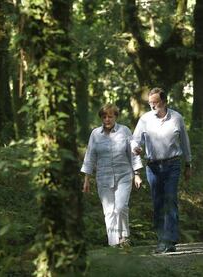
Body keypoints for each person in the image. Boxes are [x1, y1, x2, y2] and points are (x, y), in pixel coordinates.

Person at [131, 87, 192, 254]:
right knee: (158, 202)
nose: (152, 106)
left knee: (170, 200)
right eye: (150, 103)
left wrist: (188, 164)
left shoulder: (177, 118)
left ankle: (170, 241)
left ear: (164, 102)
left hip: (173, 165)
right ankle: (161, 240)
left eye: (156, 102)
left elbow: (185, 142)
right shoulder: (145, 119)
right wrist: (136, 148)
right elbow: (134, 141)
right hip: (153, 166)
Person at [81, 103, 143, 247]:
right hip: (103, 177)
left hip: (124, 175)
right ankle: (113, 243)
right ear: (101, 118)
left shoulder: (124, 131)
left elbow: (133, 152)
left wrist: (137, 173)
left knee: (121, 207)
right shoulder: (95, 134)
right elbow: (89, 157)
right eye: (104, 117)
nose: (107, 119)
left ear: (116, 116)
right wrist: (86, 179)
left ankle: (124, 237)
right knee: (109, 211)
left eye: (110, 116)